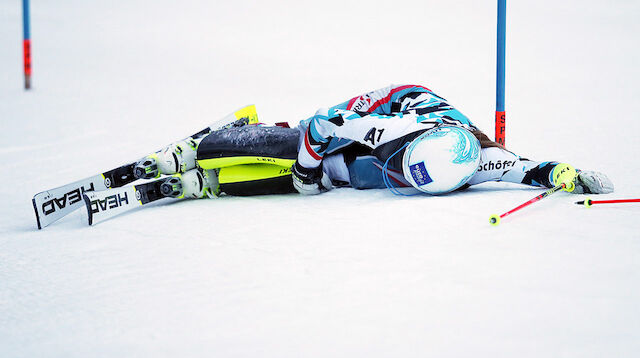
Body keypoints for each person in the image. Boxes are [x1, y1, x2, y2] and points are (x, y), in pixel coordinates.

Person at [149, 84, 613, 199]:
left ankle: (212, 182)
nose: (398, 180)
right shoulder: (387, 129)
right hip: (368, 115)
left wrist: (566, 175)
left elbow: (530, 169)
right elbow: (325, 122)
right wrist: (305, 170)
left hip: (370, 158)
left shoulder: (479, 163)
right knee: (306, 156)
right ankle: (217, 145)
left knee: (328, 182)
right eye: (402, 170)